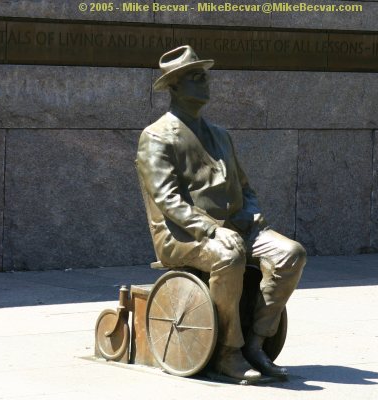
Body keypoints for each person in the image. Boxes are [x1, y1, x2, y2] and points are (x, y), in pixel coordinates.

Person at [136, 45, 306, 382]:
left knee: (291, 254)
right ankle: (229, 352)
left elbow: (246, 189)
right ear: (174, 87)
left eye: (205, 76)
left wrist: (253, 217)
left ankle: (257, 343)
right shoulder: (156, 137)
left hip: (236, 227)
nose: (206, 83)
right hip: (181, 234)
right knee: (229, 255)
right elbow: (168, 201)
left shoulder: (220, 135)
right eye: (196, 78)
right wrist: (212, 230)